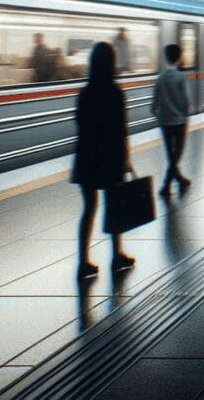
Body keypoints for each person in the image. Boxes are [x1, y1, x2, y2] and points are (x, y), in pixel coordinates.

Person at [71, 42, 135, 280]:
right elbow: (121, 129)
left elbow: (80, 124)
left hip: (87, 158)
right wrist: (126, 157)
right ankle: (117, 256)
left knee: (88, 209)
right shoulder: (115, 92)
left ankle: (83, 262)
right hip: (110, 157)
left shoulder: (85, 93)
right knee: (113, 206)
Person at [152, 43, 192, 196]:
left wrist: (161, 115)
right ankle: (166, 185)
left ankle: (179, 180)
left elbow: (153, 106)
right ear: (179, 58)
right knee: (177, 153)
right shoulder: (181, 77)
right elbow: (185, 102)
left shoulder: (160, 79)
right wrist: (185, 114)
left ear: (166, 58)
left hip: (164, 122)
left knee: (170, 154)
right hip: (180, 121)